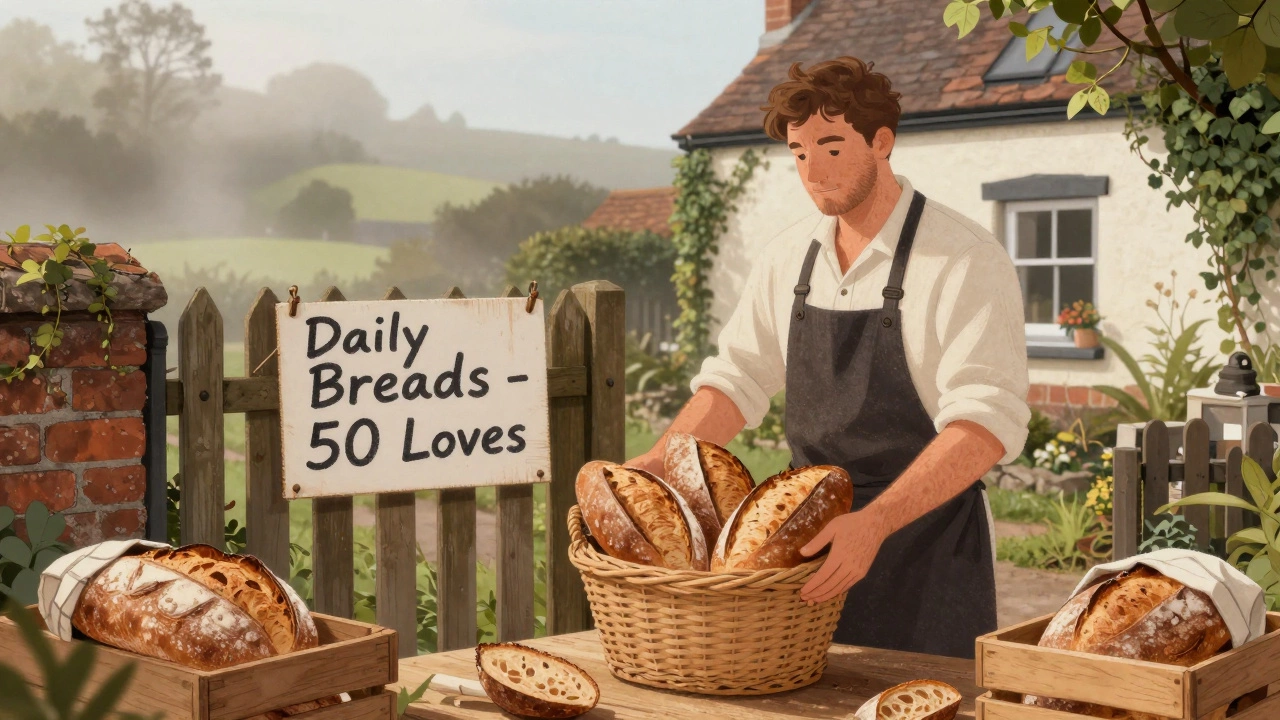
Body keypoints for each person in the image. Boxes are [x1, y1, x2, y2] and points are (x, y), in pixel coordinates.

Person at [628, 56, 1030, 659]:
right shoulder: (787, 257)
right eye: (798, 152)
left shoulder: (965, 258)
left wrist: (875, 523)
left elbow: (984, 426)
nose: (812, 169)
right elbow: (736, 381)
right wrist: (659, 462)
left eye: (832, 146)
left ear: (882, 142)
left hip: (927, 550)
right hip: (806, 548)